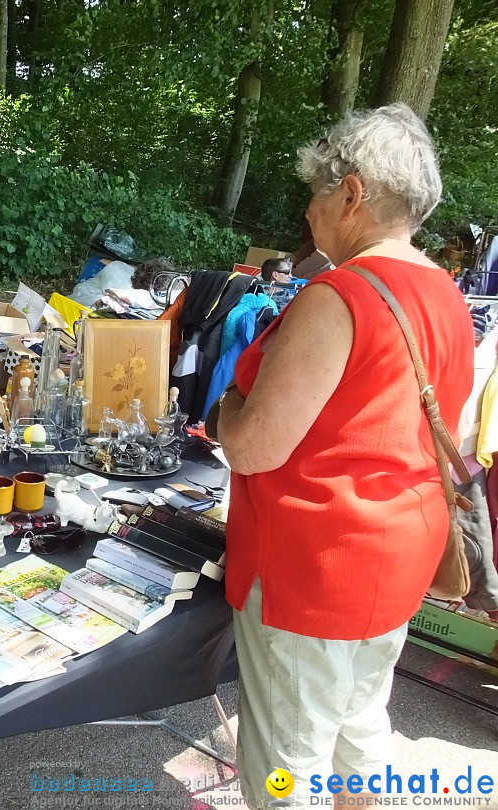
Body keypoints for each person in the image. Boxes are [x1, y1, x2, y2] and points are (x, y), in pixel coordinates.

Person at [214, 104, 473, 809]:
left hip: (316, 567)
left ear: (352, 193)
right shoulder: (446, 295)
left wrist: (223, 410)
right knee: (359, 720)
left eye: (315, 194)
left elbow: (254, 446)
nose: (309, 212)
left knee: (286, 763)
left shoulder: (339, 296)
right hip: (397, 554)